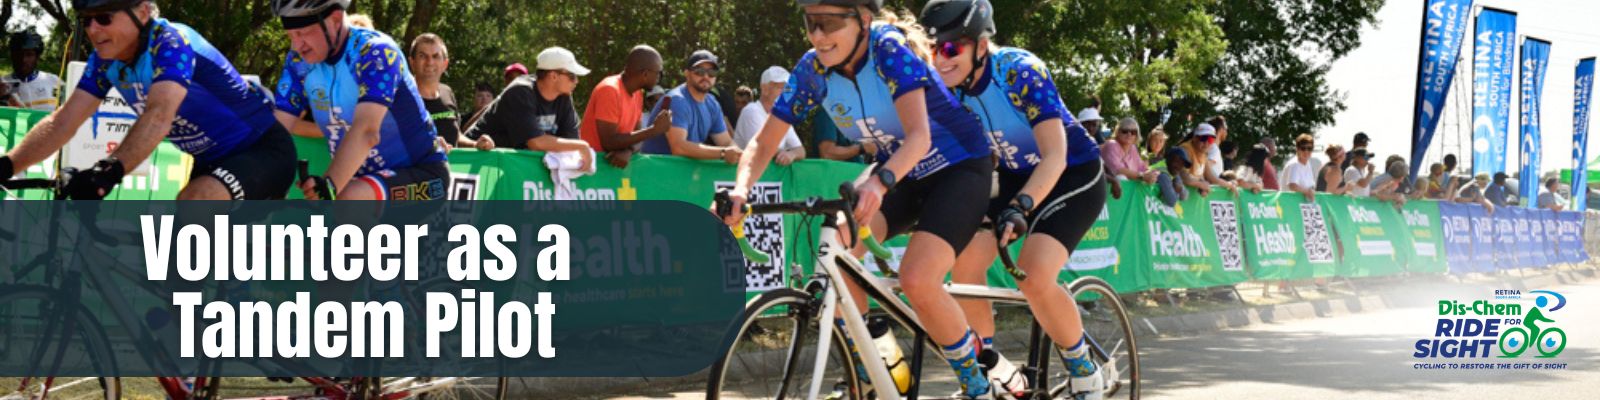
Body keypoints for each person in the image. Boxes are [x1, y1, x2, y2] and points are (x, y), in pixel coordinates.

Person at [721, 0, 996, 397]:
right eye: (811, 22)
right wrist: (740, 190)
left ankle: (976, 383)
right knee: (837, 253)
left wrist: (878, 184)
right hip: (902, 171)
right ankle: (878, 365)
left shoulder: (888, 50)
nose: (818, 35)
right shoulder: (813, 70)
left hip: (958, 168)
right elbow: (764, 142)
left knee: (917, 278)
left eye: (829, 22)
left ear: (864, 20)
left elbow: (920, 137)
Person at [921, 1, 1109, 397]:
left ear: (981, 46)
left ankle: (1085, 371)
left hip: (1071, 172)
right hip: (1013, 175)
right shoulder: (948, 89)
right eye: (932, 49)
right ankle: (990, 372)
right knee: (966, 265)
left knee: (1033, 275)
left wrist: (1022, 206)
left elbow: (1055, 155)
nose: (940, 59)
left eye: (951, 48)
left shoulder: (1019, 71)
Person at [3, 0, 296, 200]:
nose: (92, 29)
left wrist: (109, 171)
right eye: (86, 20)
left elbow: (159, 114)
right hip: (211, 161)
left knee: (196, 204)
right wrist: (7, 165)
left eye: (104, 18)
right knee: (178, 256)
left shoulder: (171, 42)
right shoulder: (105, 60)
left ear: (142, 12)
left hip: (263, 150)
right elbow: (63, 122)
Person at [271, 0, 449, 200]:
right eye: (290, 35)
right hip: (365, 180)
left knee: (349, 199)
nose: (297, 45)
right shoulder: (298, 62)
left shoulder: (376, 53)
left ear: (335, 20)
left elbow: (367, 132)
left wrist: (329, 185)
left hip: (423, 174)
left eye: (303, 33)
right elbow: (276, 129)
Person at [458, 47, 593, 167]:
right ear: (553, 76)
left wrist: (578, 146)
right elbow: (535, 143)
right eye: (572, 76)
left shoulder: (563, 96)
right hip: (478, 160)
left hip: (512, 164)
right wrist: (582, 146)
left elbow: (571, 140)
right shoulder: (520, 92)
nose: (576, 81)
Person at [638, 50, 741, 164]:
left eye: (711, 72)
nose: (706, 76)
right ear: (687, 73)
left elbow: (726, 142)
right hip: (657, 169)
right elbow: (679, 147)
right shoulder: (677, 100)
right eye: (699, 71)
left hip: (683, 170)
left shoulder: (712, 104)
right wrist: (723, 153)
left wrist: (739, 155)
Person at [578, 45, 673, 168]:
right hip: (592, 167)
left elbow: (637, 137)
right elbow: (609, 142)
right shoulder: (610, 90)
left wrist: (629, 150)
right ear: (645, 74)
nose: (659, 78)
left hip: (614, 169)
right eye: (659, 73)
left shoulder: (638, 93)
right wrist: (653, 130)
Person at [733, 66, 806, 165]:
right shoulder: (751, 111)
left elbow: (801, 150)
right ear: (764, 89)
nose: (785, 93)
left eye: (787, 88)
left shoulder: (783, 115)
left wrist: (791, 154)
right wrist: (785, 153)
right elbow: (762, 148)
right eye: (780, 87)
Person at [410, 33, 460, 150]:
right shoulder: (402, 97)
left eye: (436, 56)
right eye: (422, 56)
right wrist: (431, 145)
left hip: (450, 163)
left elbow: (456, 135)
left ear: (445, 64)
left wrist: (475, 144)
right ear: (412, 62)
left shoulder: (447, 92)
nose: (430, 62)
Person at [3, 31, 62, 111]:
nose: (23, 60)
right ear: (12, 56)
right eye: (18, 54)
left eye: (29, 54)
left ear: (37, 57)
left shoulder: (53, 81)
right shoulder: (3, 84)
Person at [1178, 123, 1239, 197]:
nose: (1206, 143)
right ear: (1194, 138)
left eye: (1210, 139)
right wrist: (1201, 184)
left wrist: (1230, 184)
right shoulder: (1184, 150)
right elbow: (1184, 177)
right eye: (1203, 138)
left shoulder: (1203, 153)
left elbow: (1212, 178)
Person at [1102, 117, 1158, 184]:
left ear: (1136, 135)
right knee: (1121, 178)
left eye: (1133, 132)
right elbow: (1117, 170)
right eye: (1125, 131)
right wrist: (1142, 176)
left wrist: (1151, 173)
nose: (1129, 134)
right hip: (1109, 185)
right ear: (1118, 132)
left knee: (1159, 176)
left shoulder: (1132, 148)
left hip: (1130, 186)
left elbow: (1141, 167)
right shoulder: (1111, 144)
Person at [1282, 134, 1317, 201]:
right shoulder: (1294, 164)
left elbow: (1310, 186)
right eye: (1303, 148)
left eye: (1309, 148)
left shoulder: (1308, 164)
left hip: (1301, 203)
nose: (1306, 151)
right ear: (1297, 149)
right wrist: (1307, 192)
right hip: (1289, 203)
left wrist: (1311, 191)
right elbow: (1292, 186)